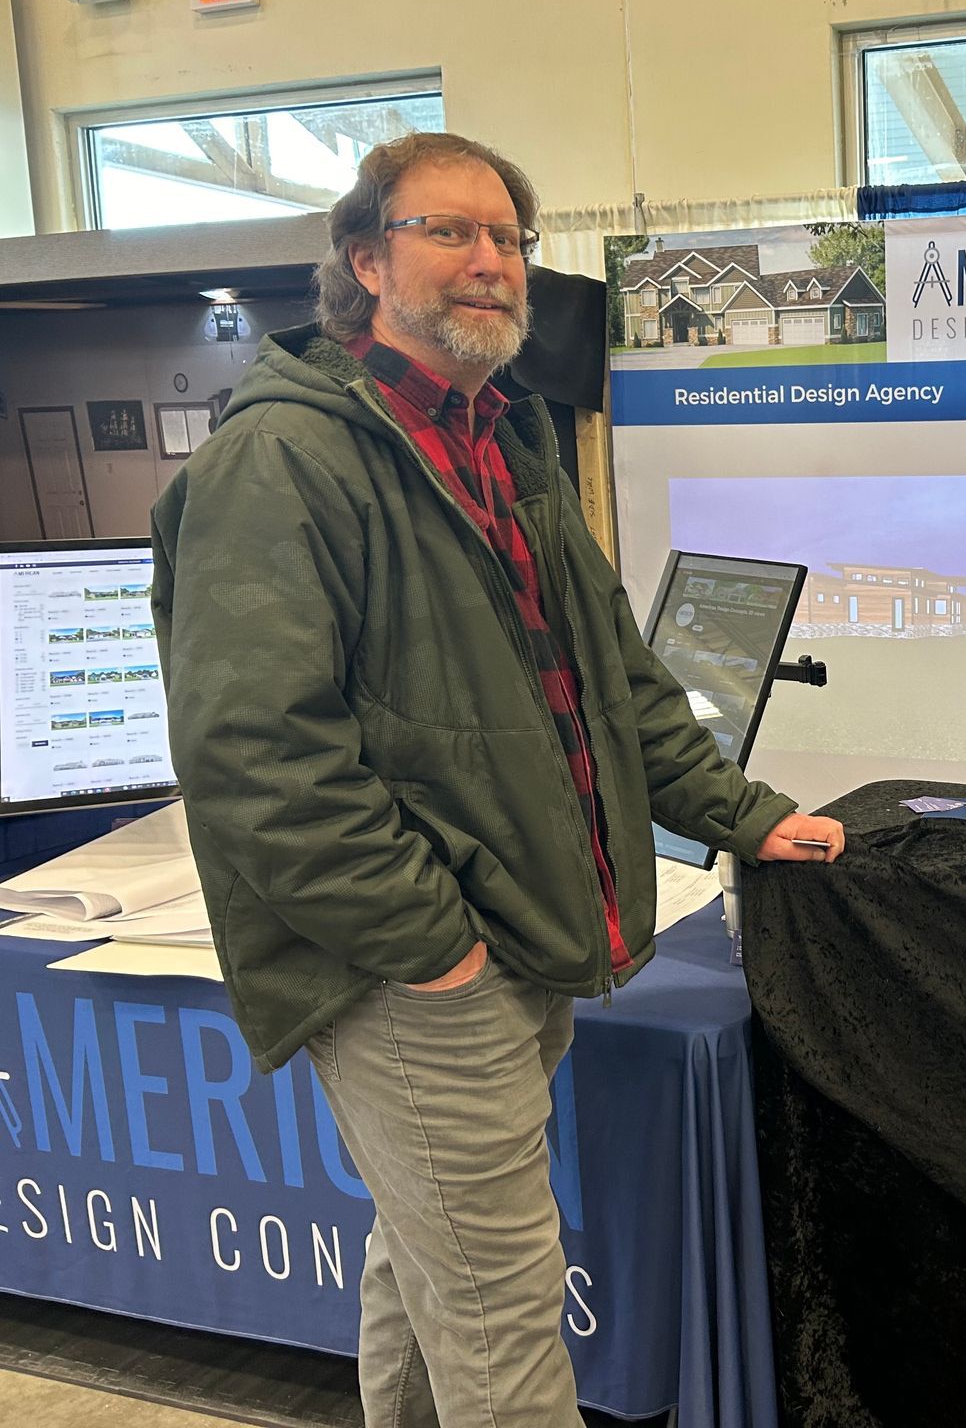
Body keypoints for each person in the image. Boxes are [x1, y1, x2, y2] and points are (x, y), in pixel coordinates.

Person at [149, 131, 844, 1428]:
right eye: (449, 233)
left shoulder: (503, 440)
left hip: (520, 932)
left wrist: (752, 818)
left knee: (430, 1268)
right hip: (419, 966)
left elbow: (617, 684)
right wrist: (430, 946)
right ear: (365, 260)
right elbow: (257, 757)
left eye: (508, 238)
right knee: (504, 1323)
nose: (490, 262)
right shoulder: (284, 459)